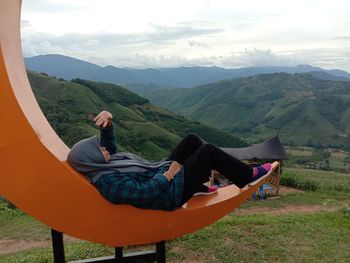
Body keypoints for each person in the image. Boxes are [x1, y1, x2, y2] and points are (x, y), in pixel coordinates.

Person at [68, 111, 272, 211]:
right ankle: (247, 175)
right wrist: (169, 174)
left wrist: (107, 126)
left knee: (191, 139)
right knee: (208, 151)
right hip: (171, 193)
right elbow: (142, 193)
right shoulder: (109, 183)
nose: (104, 149)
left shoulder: (104, 165)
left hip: (161, 173)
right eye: (98, 149)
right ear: (91, 159)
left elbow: (109, 148)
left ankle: (196, 185)